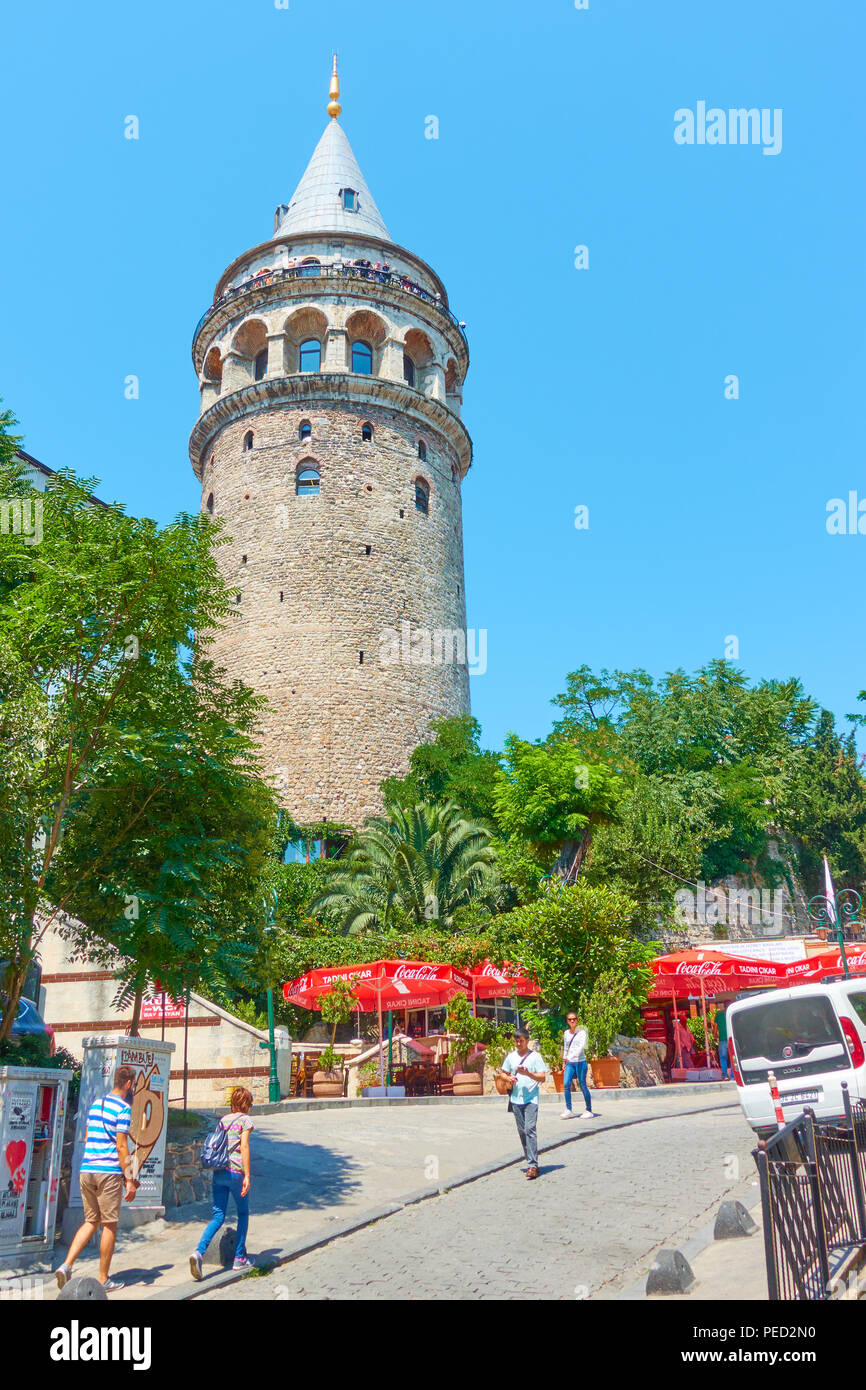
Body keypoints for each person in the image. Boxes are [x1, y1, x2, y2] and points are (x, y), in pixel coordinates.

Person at [55, 1064, 139, 1292]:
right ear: (129, 1084)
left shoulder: (95, 1105)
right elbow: (122, 1146)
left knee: (91, 1221)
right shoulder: (123, 1108)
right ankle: (103, 1278)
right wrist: (129, 1179)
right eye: (134, 1085)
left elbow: (86, 1136)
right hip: (108, 1172)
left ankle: (66, 1265)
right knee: (109, 1225)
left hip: (87, 1169)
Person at [190, 1087, 254, 1279]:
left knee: (218, 1216)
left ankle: (199, 1252)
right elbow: (244, 1146)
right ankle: (239, 1258)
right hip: (235, 1172)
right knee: (243, 1213)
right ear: (246, 1104)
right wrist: (248, 1175)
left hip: (219, 1172)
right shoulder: (245, 1120)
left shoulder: (223, 1120)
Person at [497, 1029, 547, 1179]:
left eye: (521, 1041)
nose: (519, 1044)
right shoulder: (511, 1057)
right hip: (516, 1099)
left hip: (531, 1099)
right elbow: (502, 1073)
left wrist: (528, 1074)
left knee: (529, 1128)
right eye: (517, 1041)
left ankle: (532, 1165)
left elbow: (543, 1077)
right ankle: (530, 1161)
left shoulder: (535, 1057)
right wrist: (508, 1078)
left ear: (527, 1040)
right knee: (522, 1131)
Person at [560, 1010, 595, 1120]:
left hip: (580, 1062)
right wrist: (564, 1060)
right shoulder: (566, 1033)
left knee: (582, 1085)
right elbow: (566, 1047)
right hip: (570, 1063)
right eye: (570, 1019)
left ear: (577, 1020)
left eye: (574, 1019)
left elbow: (581, 1047)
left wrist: (572, 1056)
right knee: (566, 1084)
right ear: (567, 1021)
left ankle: (589, 1110)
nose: (572, 1021)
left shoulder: (582, 1032)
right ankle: (568, 1109)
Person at [716, 1006, 730, 1079]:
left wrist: (715, 1036)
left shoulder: (719, 1014)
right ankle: (733, 1076)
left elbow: (715, 1027)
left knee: (723, 1058)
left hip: (722, 1040)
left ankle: (724, 1074)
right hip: (731, 1039)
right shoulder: (731, 1012)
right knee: (732, 1058)